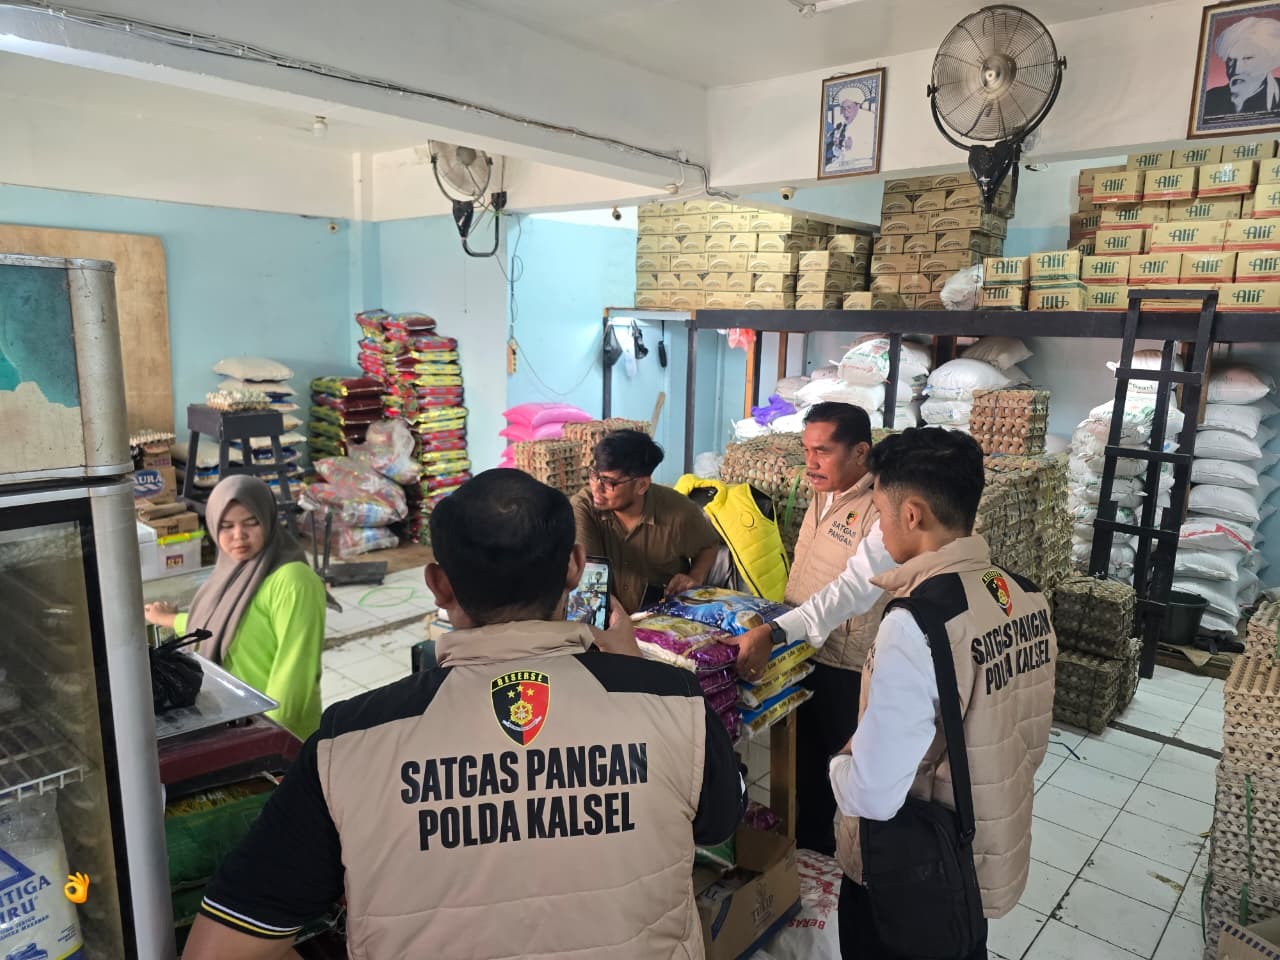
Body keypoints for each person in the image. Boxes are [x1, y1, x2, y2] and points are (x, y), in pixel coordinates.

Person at [182, 469, 744, 960]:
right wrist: (636, 672)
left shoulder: (347, 742)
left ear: (438, 584)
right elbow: (720, 824)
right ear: (575, 565)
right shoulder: (677, 704)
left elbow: (217, 950)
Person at [828, 428, 1055, 960]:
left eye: (880, 513)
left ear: (912, 514)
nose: (879, 529)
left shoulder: (917, 623)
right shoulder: (1023, 596)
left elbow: (873, 794)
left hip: (912, 870)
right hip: (978, 850)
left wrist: (841, 761)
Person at [782, 402, 889, 857]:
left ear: (860, 452)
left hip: (843, 659)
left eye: (822, 451)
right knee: (802, 760)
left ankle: (835, 859)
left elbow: (855, 589)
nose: (810, 462)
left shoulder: (880, 507)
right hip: (802, 647)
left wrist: (781, 629)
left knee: (836, 765)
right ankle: (806, 849)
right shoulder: (823, 491)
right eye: (806, 450)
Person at [143, 475, 326, 740]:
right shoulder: (229, 573)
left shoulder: (293, 581)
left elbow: (295, 677)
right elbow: (215, 625)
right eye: (226, 526)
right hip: (236, 722)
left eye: (251, 522)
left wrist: (270, 739)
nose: (239, 535)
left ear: (268, 520)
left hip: (281, 734)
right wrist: (169, 619)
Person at [572, 429, 722, 612]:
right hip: (603, 614)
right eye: (594, 475)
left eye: (609, 482)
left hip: (662, 617)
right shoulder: (584, 507)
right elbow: (588, 576)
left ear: (641, 485)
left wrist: (695, 576)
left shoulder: (679, 512)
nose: (596, 488)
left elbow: (709, 544)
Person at [1204, 16, 1280, 119]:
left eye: (1247, 58)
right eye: (1231, 60)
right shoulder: (1210, 99)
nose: (1236, 70)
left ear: (1269, 61)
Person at [825, 85, 877, 170]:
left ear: (857, 106)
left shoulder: (870, 119)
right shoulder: (842, 125)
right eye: (843, 108)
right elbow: (837, 153)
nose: (845, 112)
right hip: (844, 162)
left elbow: (873, 149)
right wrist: (837, 146)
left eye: (849, 107)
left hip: (863, 162)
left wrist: (852, 147)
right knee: (828, 169)